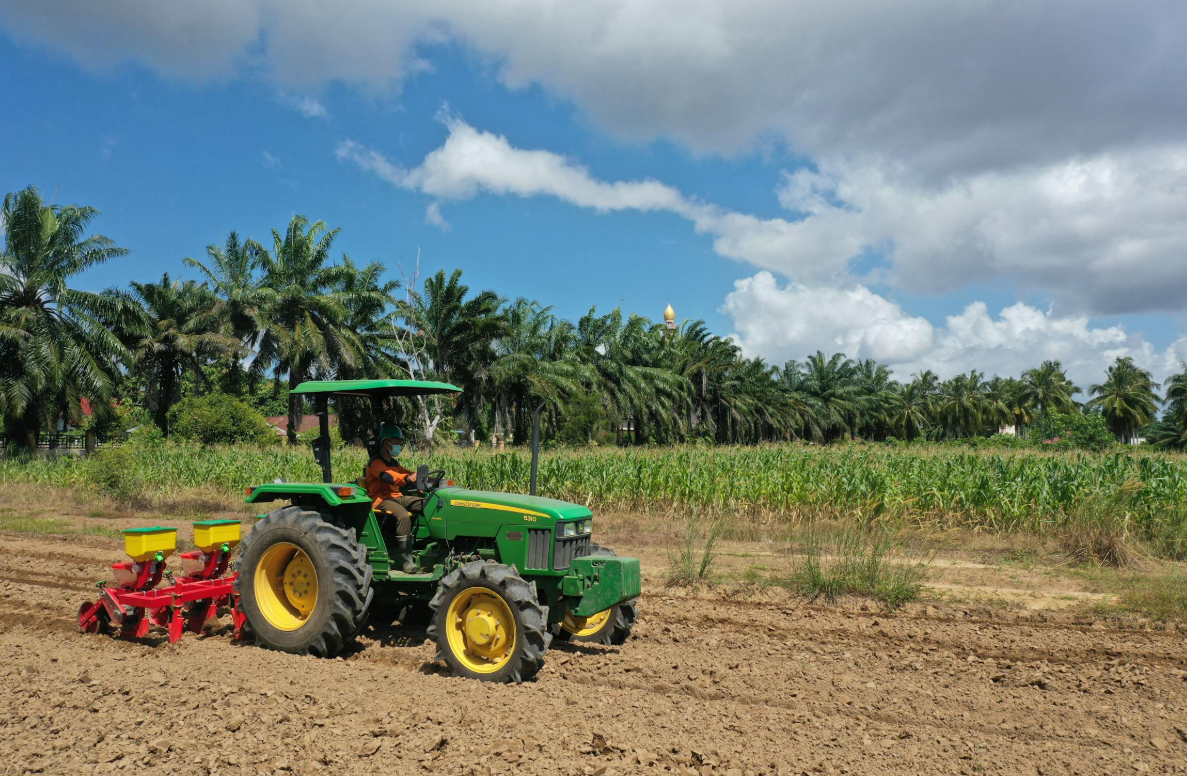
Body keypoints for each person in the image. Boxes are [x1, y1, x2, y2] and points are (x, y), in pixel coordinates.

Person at [364, 425, 421, 572]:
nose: (399, 446)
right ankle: (407, 561)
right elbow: (389, 477)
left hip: (396, 497)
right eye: (397, 442)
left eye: (400, 443)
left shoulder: (394, 463)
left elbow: (405, 473)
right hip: (381, 499)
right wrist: (408, 478)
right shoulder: (375, 463)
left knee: (426, 504)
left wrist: (424, 478)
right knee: (402, 516)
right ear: (386, 443)